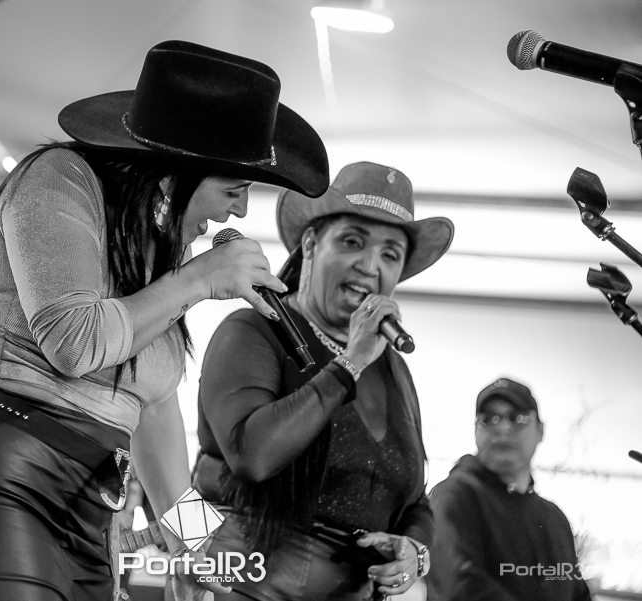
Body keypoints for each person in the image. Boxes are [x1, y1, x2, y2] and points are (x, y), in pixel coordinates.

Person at [0, 40, 329, 601]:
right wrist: (198, 280)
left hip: (85, 509)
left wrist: (193, 542)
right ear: (176, 173)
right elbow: (74, 341)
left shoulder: (163, 253)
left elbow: (153, 405)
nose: (238, 211)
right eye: (233, 190)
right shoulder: (56, 180)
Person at [194, 161, 455, 601]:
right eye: (353, 242)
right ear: (312, 244)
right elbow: (252, 455)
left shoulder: (390, 366)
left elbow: (412, 499)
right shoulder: (254, 329)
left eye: (390, 254)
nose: (370, 265)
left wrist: (414, 549)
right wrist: (349, 364)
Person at [425, 377, 592, 601]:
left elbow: (577, 593)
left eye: (518, 418)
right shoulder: (454, 497)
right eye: (489, 419)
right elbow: (460, 588)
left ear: (540, 430)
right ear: (476, 430)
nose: (503, 428)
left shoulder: (555, 519)